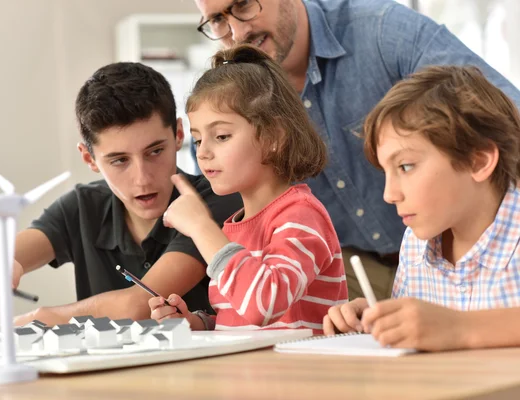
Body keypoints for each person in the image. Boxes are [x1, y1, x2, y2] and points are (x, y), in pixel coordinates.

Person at [192, 0, 520, 301]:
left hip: (456, 248)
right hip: (358, 265)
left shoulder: (383, 30)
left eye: (244, 4)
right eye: (218, 20)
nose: (237, 31)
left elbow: (502, 121)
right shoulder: (234, 102)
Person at [0, 62, 242, 326]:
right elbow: (7, 256)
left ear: (179, 134)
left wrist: (42, 318)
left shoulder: (215, 200)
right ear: (89, 159)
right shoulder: (81, 206)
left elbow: (138, 305)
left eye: (155, 151)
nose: (142, 178)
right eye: (119, 160)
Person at [149, 44, 348, 333]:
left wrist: (201, 227)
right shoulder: (234, 227)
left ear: (273, 136)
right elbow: (242, 321)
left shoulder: (301, 216)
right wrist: (196, 323)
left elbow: (263, 305)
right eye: (198, 139)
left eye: (221, 136)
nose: (203, 153)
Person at [323, 65, 520, 351]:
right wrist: (385, 319)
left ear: (478, 161)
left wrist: (458, 328)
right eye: (386, 172)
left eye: (406, 166)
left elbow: (450, 330)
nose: (389, 195)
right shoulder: (416, 244)